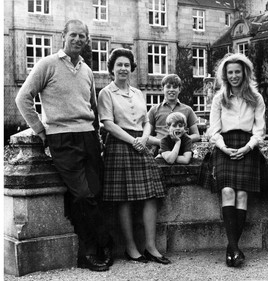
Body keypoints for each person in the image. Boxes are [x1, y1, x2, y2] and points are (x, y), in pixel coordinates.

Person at [15, 19, 113, 271]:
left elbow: (92, 107)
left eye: (83, 36)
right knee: (82, 194)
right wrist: (40, 130)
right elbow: (23, 98)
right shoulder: (47, 64)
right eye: (74, 35)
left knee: (96, 192)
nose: (78, 39)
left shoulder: (87, 70)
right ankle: (91, 250)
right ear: (64, 36)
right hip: (62, 139)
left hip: (88, 138)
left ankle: (100, 246)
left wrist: (97, 136)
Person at [97, 48, 171, 265]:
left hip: (141, 144)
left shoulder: (138, 93)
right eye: (118, 64)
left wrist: (145, 138)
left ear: (131, 68)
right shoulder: (106, 93)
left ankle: (150, 246)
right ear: (111, 69)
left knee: (151, 196)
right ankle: (130, 248)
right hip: (120, 145)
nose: (123, 68)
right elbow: (107, 123)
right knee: (125, 199)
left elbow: (147, 121)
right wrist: (133, 141)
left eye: (127, 65)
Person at [207, 53, 266, 267]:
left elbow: (260, 130)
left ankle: (232, 249)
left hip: (248, 146)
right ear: (225, 75)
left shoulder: (256, 98)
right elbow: (213, 130)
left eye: (237, 72)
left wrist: (247, 147)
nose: (233, 76)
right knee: (227, 191)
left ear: (244, 73)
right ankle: (234, 248)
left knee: (242, 195)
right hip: (225, 146)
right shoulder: (219, 98)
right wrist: (224, 147)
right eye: (230, 72)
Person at [147, 74, 200, 156]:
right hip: (160, 151)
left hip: (183, 151)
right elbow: (147, 136)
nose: (171, 90)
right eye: (168, 87)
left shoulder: (187, 110)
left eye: (175, 87)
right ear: (162, 89)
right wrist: (161, 141)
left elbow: (196, 135)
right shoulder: (154, 110)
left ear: (179, 90)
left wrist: (181, 140)